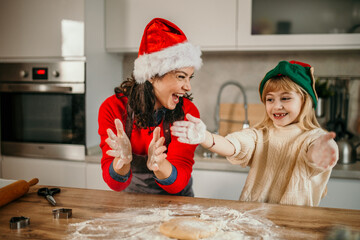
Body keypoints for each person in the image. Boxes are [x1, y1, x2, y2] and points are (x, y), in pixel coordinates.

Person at [171, 60, 339, 206]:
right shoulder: (261, 135)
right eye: (270, 99)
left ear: (305, 101)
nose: (276, 106)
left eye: (285, 98)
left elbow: (317, 152)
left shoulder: (313, 138)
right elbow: (233, 146)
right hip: (254, 217)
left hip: (294, 221)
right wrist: (205, 137)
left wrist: (321, 151)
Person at [98, 18, 202, 196]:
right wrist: (122, 161)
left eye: (189, 78)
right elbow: (115, 185)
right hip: (131, 203)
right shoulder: (114, 108)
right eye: (180, 77)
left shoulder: (188, 112)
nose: (188, 87)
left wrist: (159, 165)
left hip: (179, 204)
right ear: (152, 75)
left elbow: (179, 182)